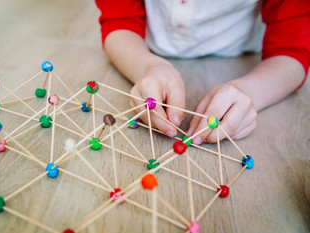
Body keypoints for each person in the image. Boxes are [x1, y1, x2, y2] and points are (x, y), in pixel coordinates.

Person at [95, 0, 310, 145]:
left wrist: (249, 91)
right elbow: (119, 21)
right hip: (144, 48)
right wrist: (148, 66)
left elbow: (293, 49)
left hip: (246, 56)